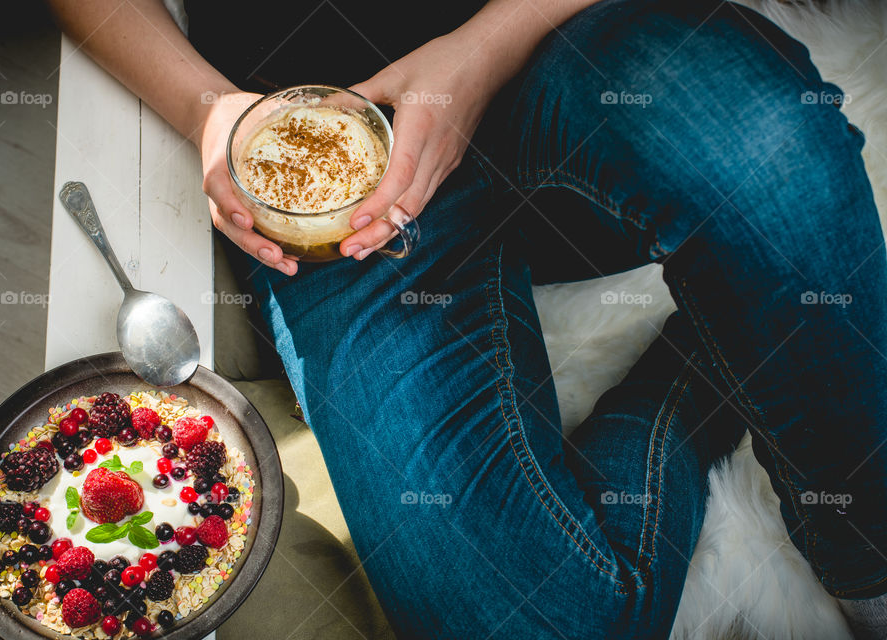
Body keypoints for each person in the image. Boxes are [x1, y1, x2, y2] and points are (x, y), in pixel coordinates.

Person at [47, 0, 887, 637]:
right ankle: (717, 355)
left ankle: (866, 559)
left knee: (770, 146)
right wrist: (207, 110)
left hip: (563, 58)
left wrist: (480, 54)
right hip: (336, 184)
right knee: (528, 619)